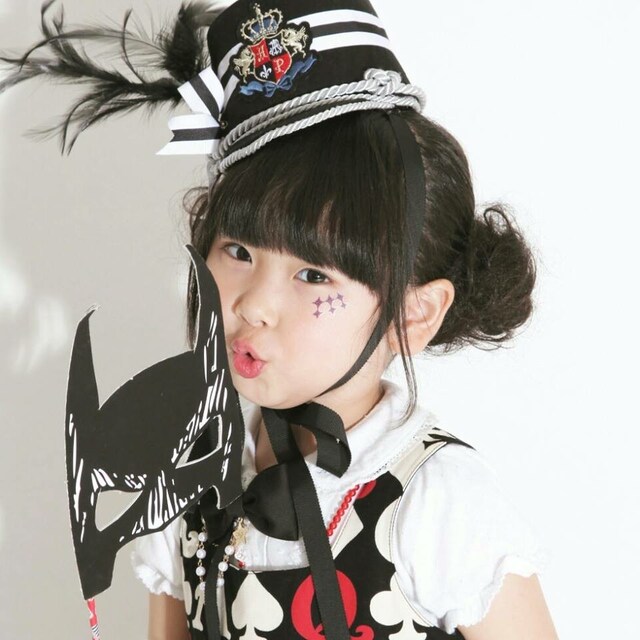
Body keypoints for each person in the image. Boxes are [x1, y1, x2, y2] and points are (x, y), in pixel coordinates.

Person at [1, 1, 559, 638]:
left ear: (414, 312)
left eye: (314, 274)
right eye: (238, 251)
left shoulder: (437, 501)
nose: (252, 304)